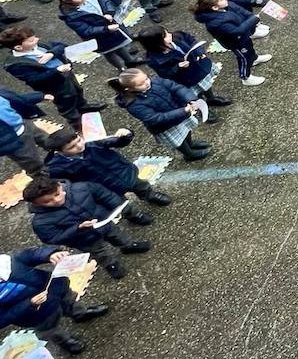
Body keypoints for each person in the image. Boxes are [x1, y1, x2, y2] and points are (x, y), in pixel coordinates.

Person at [23, 176, 151, 278]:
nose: (56, 200)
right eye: (47, 201)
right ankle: (110, 264)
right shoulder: (41, 221)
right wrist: (77, 229)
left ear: (59, 186)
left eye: (57, 194)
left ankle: (128, 246)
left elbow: (103, 194)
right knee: (100, 253)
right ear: (35, 203)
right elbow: (52, 238)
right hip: (84, 239)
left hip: (104, 222)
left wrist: (117, 205)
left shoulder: (80, 188)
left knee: (118, 235)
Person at [40, 123, 172, 211]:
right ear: (59, 151)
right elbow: (66, 183)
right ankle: (133, 214)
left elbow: (116, 141)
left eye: (79, 140)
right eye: (72, 147)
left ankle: (150, 195)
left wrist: (126, 135)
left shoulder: (93, 143)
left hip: (124, 172)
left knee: (141, 185)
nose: (80, 146)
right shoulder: (56, 166)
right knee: (119, 204)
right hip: (104, 186)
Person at [137, 28, 230, 107]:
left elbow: (191, 40)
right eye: (165, 36)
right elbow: (164, 73)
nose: (170, 35)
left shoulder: (178, 36)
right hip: (186, 78)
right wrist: (178, 67)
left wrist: (199, 51)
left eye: (167, 32)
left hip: (198, 67)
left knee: (206, 84)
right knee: (196, 95)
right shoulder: (154, 59)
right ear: (156, 43)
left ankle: (211, 98)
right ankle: (204, 109)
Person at [192, 0, 269, 87]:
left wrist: (250, 17)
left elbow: (240, 11)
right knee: (243, 58)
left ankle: (254, 58)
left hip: (243, 37)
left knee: (250, 48)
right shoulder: (215, 23)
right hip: (235, 42)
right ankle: (245, 77)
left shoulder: (226, 7)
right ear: (215, 7)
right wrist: (252, 20)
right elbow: (236, 31)